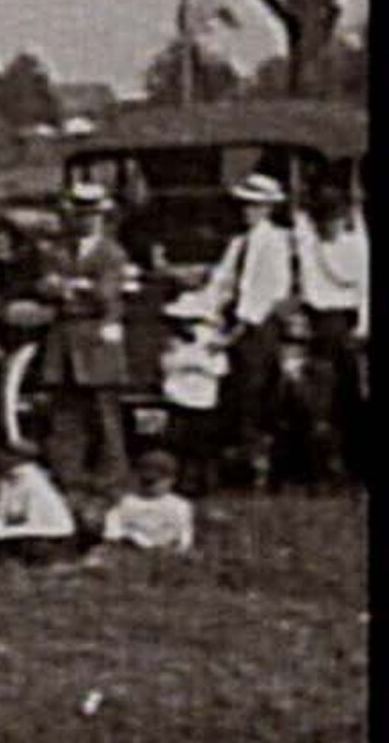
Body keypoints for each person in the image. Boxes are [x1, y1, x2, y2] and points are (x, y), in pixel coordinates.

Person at [199, 173, 303, 491]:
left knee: (254, 394)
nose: (248, 211)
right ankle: (233, 462)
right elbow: (221, 282)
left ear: (268, 208)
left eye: (255, 205)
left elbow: (271, 291)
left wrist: (238, 329)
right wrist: (208, 313)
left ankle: (260, 467)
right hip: (234, 324)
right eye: (245, 205)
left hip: (257, 327)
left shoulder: (276, 241)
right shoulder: (238, 242)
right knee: (230, 394)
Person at [36, 182, 135, 494]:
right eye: (80, 213)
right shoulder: (58, 250)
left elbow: (106, 292)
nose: (85, 220)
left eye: (91, 214)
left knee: (104, 410)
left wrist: (71, 286)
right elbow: (43, 285)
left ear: (101, 217)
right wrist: (74, 286)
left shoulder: (111, 252)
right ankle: (68, 473)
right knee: (65, 411)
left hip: (96, 336)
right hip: (65, 336)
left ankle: (111, 477)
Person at [297, 187, 367, 483]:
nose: (330, 226)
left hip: (348, 323)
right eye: (324, 220)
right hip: (321, 325)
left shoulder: (356, 246)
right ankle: (323, 467)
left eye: (335, 219)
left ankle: (354, 463)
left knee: (350, 395)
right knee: (320, 399)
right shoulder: (311, 245)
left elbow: (364, 288)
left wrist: (363, 327)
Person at [0, 449, 84, 566]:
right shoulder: (6, 482)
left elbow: (32, 513)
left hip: (48, 528)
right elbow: (4, 510)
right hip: (21, 524)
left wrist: (13, 518)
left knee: (20, 538)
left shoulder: (33, 480)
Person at [99, 449, 197, 554]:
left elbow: (184, 538)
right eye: (145, 481)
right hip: (129, 552)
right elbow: (112, 532)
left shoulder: (179, 506)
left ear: (171, 480)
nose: (149, 486)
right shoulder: (126, 502)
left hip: (163, 554)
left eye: (154, 482)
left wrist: (177, 549)